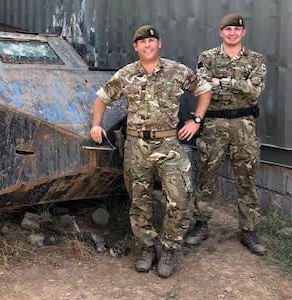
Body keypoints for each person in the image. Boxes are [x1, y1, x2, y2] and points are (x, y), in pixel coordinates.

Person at [90, 25, 212, 278]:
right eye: (142, 42)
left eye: (152, 41)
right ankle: (147, 248)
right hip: (136, 147)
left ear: (159, 44)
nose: (148, 45)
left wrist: (196, 120)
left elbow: (204, 90)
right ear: (136, 47)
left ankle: (168, 250)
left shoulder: (177, 71)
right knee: (139, 201)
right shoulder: (126, 74)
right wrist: (96, 124)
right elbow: (102, 97)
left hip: (169, 144)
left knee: (179, 199)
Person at [185, 14, 268, 256]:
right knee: (206, 176)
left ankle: (249, 230)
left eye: (237, 30)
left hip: (244, 125)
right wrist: (235, 83)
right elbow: (201, 86)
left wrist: (222, 82)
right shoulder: (207, 57)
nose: (232, 33)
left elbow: (254, 93)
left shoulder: (255, 59)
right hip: (213, 125)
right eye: (228, 29)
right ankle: (201, 225)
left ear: (244, 33)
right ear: (221, 32)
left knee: (247, 178)